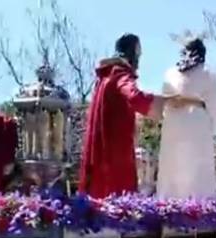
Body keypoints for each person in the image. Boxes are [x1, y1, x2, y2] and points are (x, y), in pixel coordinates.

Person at [79, 33, 199, 198]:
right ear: (132, 53)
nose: (139, 61)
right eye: (138, 54)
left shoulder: (104, 78)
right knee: (119, 200)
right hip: (115, 152)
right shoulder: (120, 73)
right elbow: (135, 97)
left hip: (102, 151)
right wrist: (168, 102)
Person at [157, 33, 216, 199]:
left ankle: (169, 204)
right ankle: (200, 208)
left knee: (173, 165)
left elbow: (164, 101)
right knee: (197, 167)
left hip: (173, 121)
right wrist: (211, 123)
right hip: (197, 120)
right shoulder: (208, 74)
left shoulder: (170, 74)